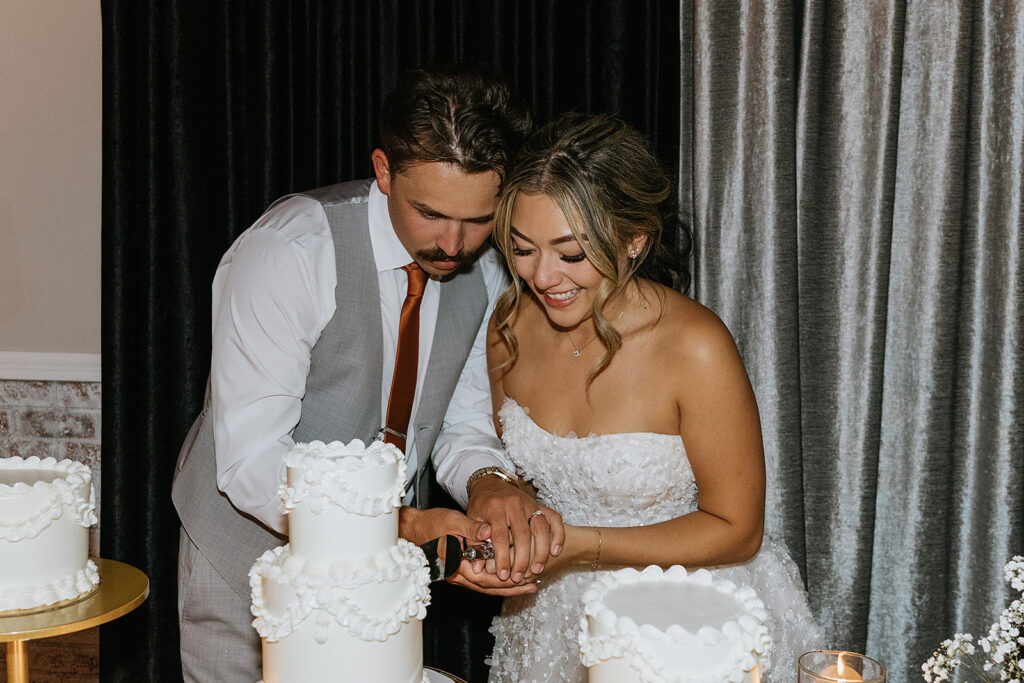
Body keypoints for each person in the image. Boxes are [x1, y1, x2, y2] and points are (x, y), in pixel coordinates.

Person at [171, 64, 565, 683]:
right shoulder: (290, 253)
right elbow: (250, 461)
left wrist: (489, 482)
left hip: (382, 579)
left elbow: (459, 420)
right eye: (431, 212)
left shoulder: (487, 271)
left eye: (480, 217)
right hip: (248, 557)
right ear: (383, 171)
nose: (455, 244)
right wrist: (402, 524)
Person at [472, 113, 822, 682]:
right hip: (549, 614)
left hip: (685, 619)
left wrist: (579, 548)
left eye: (571, 253)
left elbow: (738, 529)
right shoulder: (509, 324)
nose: (543, 276)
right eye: (522, 249)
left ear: (633, 240)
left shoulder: (695, 347)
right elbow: (519, 475)